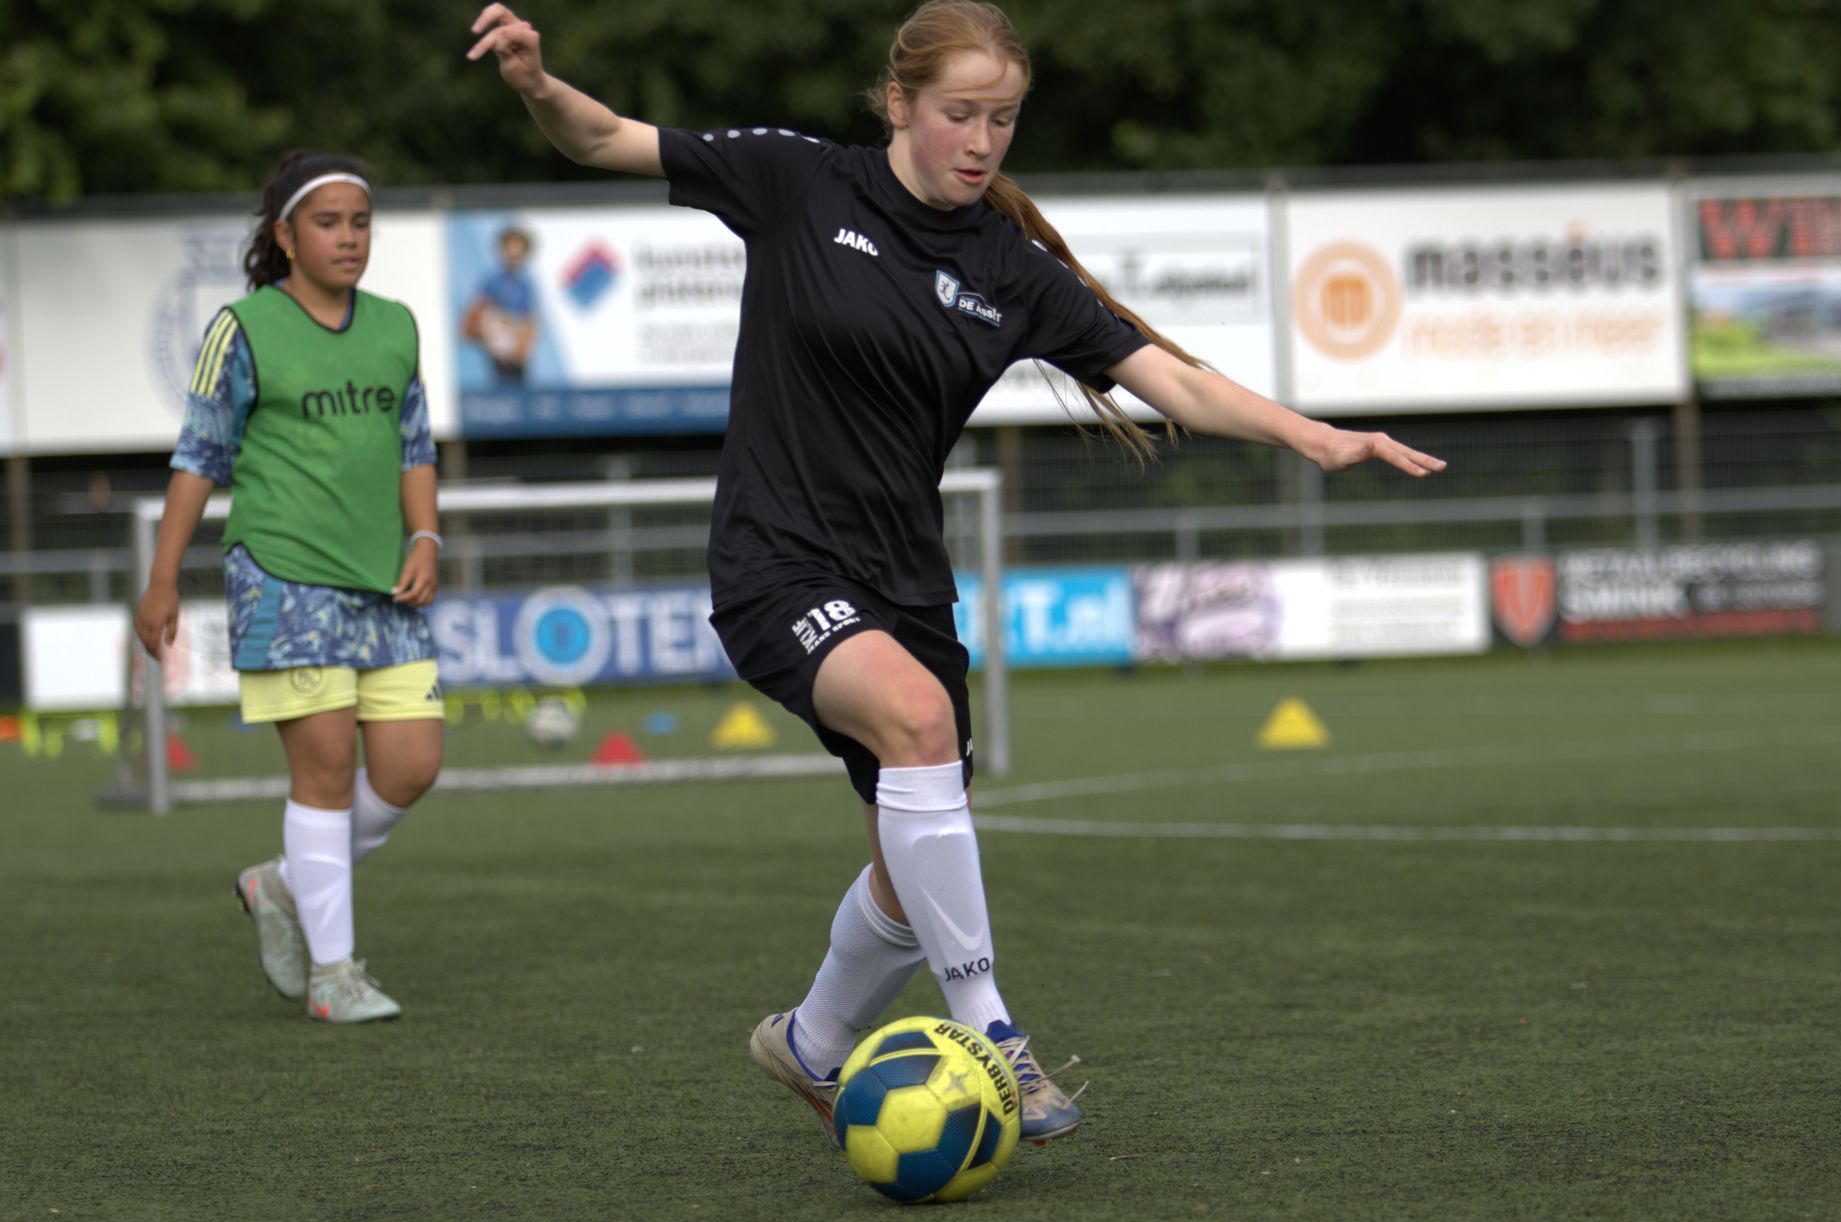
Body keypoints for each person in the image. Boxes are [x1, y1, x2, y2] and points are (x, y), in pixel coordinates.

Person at [469, 0, 1444, 1143]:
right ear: (899, 103)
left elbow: (1173, 381)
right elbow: (600, 138)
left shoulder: (1009, 269)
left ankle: (811, 1043)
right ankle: (995, 1036)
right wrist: (538, 84)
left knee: (908, 867)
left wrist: (1314, 436)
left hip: (907, 586)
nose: (982, 142)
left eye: (1005, 119)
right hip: (776, 561)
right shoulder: (797, 182)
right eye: (960, 114)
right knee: (920, 723)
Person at [134, 150, 445, 1025]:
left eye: (360, 222)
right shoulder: (243, 329)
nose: (349, 238)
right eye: (327, 222)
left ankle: (280, 883)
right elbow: (199, 457)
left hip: (385, 584)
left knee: (412, 766)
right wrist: (161, 579)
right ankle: (334, 975)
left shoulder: (396, 326)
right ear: (285, 235)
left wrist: (426, 536)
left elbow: (415, 446)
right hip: (282, 576)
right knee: (328, 768)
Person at [459, 225, 539, 385]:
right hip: (498, 353)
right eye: (511, 246)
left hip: (518, 353)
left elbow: (529, 319)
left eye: (518, 247)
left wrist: (523, 342)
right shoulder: (493, 281)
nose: (514, 252)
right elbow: (476, 312)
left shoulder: (525, 284)